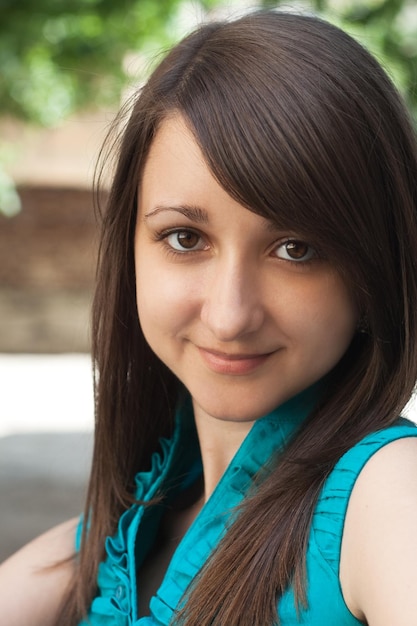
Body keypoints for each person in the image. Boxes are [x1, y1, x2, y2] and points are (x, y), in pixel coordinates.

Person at [2, 9, 417, 626]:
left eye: (295, 249)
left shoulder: (384, 494)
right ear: (130, 251)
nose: (229, 315)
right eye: (184, 238)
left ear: (372, 272)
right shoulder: (117, 541)